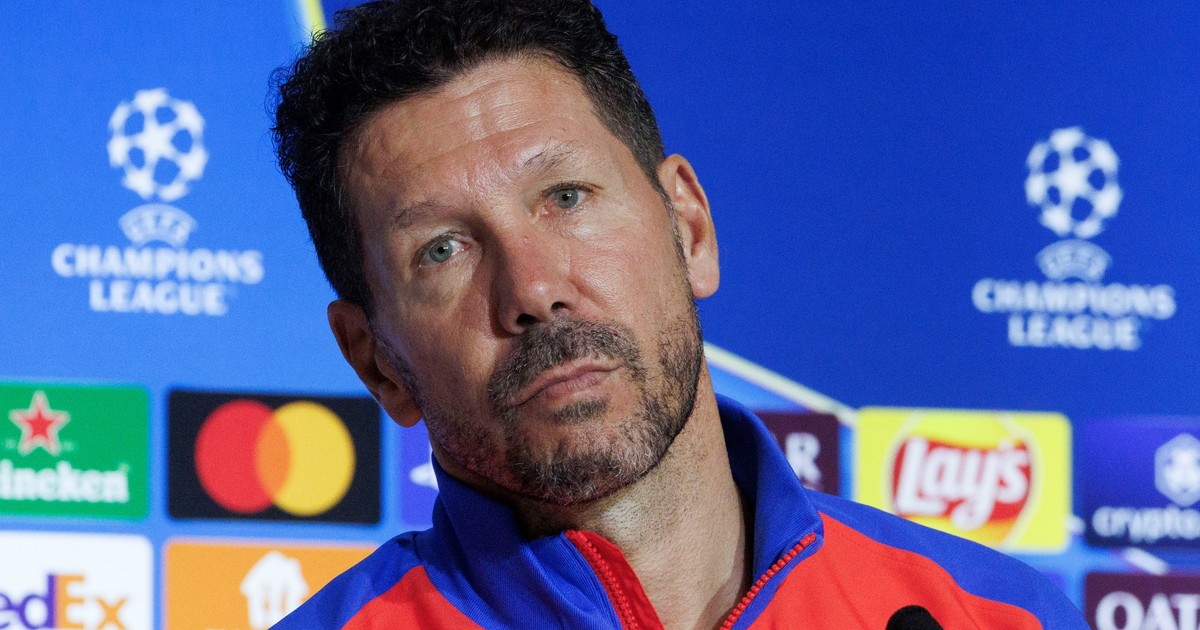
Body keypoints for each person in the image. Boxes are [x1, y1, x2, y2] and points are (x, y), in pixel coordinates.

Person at [270, 1, 1087, 627]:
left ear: (689, 229)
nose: (534, 291)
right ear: (376, 361)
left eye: (566, 197)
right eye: (443, 249)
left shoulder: (991, 617)